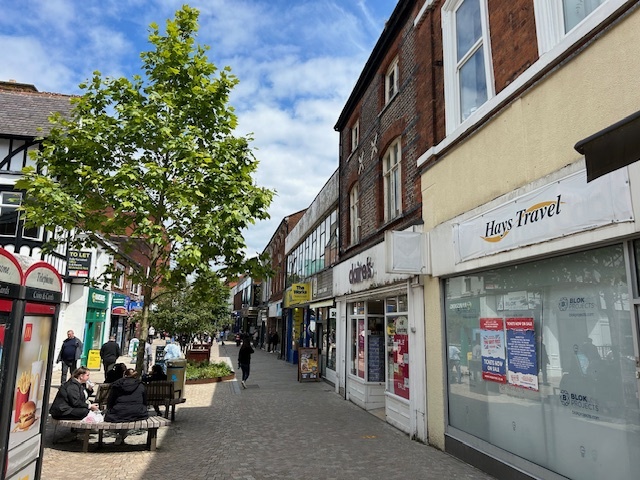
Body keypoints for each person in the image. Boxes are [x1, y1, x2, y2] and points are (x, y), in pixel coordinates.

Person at [105, 368, 149, 445]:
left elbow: (110, 401)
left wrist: (111, 409)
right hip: (137, 412)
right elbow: (144, 401)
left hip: (119, 412)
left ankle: (119, 435)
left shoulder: (117, 385)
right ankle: (121, 435)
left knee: (112, 416)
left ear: (124, 375)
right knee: (130, 417)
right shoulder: (141, 385)